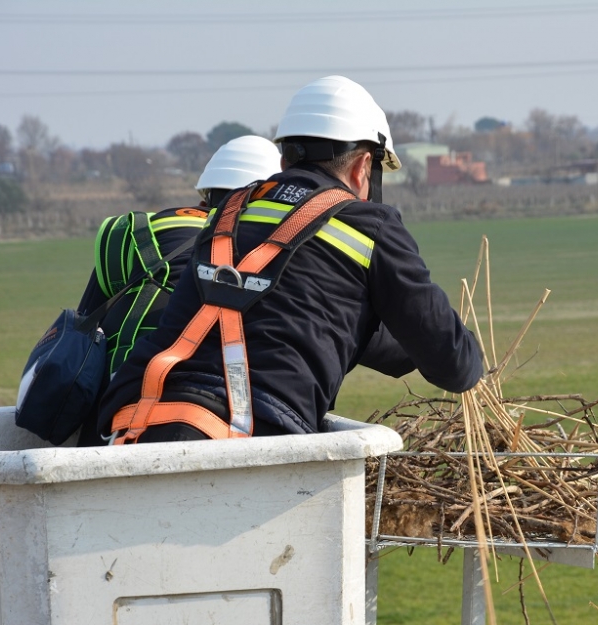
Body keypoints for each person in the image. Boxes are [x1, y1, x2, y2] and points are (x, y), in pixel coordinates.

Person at [98, 75, 484, 444]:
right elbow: (454, 365)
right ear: (362, 166)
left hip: (134, 420)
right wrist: (465, 353)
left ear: (284, 162)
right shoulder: (370, 226)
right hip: (257, 430)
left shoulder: (229, 210)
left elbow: (277, 308)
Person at [75, 135, 282, 445]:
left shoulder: (135, 232)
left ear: (204, 195)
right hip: (216, 422)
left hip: (111, 420)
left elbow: (83, 330)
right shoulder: (266, 252)